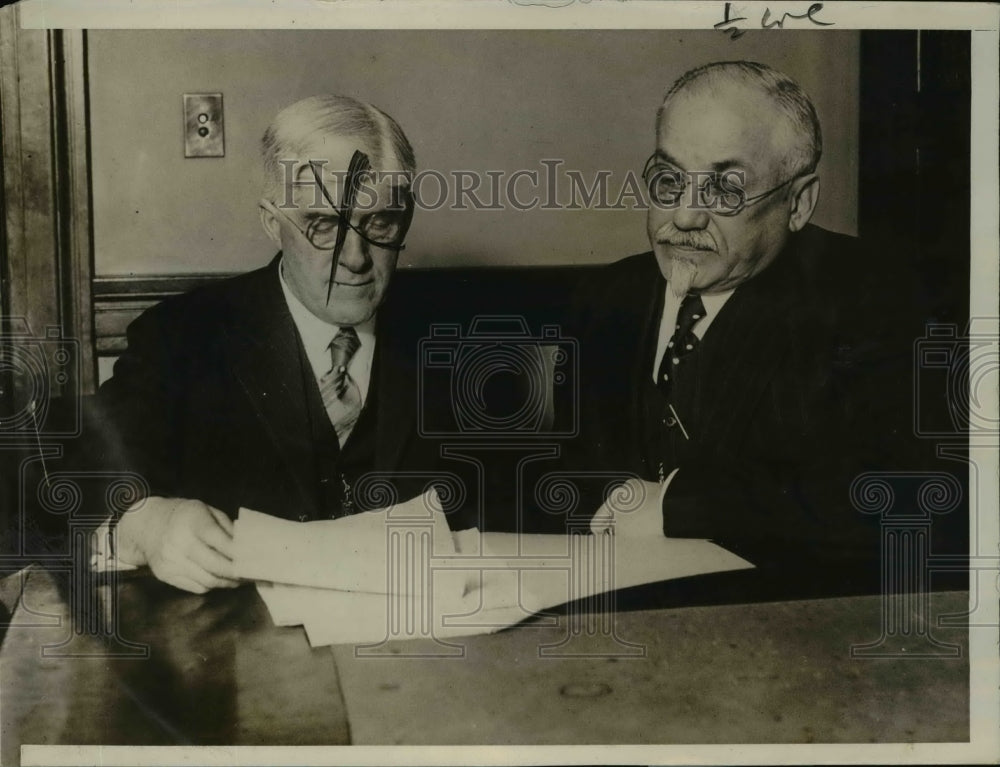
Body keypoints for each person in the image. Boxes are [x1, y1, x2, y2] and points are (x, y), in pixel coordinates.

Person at [574, 61, 918, 572]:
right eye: (669, 180)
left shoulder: (875, 301)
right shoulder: (607, 297)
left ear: (798, 203)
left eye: (725, 189)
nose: (685, 217)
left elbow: (893, 498)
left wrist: (674, 506)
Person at [93, 95, 437, 594]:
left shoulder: (459, 341)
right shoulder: (183, 338)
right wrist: (142, 525)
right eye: (324, 225)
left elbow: (530, 504)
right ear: (272, 223)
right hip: (243, 655)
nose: (357, 258)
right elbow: (71, 479)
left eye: (380, 223)